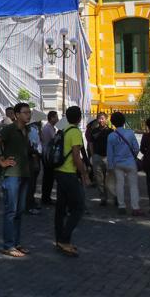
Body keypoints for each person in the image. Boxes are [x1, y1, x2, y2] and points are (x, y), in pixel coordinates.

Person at [0, 102, 32, 258]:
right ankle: (8, 245)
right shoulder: (8, 129)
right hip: (11, 175)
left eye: (29, 112)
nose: (28, 115)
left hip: (24, 174)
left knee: (19, 211)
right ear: (17, 114)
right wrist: (1, 162)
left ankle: (16, 243)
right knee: (11, 211)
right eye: (25, 112)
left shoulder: (27, 130)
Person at [53, 106, 88, 257]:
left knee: (61, 208)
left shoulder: (64, 130)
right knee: (78, 207)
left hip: (59, 171)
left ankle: (59, 239)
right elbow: (76, 156)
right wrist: (84, 173)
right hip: (69, 173)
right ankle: (64, 239)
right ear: (79, 118)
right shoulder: (75, 132)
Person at [107, 112, 142, 216]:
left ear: (113, 123)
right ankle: (135, 207)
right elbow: (136, 148)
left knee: (119, 184)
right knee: (133, 185)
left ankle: (121, 206)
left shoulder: (111, 136)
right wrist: (133, 156)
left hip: (117, 163)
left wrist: (110, 166)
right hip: (130, 162)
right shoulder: (130, 133)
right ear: (123, 121)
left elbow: (110, 153)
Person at [85, 113, 114, 206]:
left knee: (110, 179)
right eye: (99, 119)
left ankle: (115, 196)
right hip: (97, 156)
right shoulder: (94, 131)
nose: (101, 120)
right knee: (99, 179)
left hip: (108, 157)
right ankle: (103, 198)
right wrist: (92, 155)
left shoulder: (111, 131)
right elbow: (91, 144)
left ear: (106, 119)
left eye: (102, 118)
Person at [25, 111, 44, 215]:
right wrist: (36, 159)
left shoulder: (35, 129)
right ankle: (28, 205)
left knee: (32, 183)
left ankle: (31, 202)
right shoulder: (31, 130)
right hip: (33, 158)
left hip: (35, 157)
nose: (41, 122)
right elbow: (33, 146)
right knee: (30, 183)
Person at [40, 111, 58, 205]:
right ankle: (46, 198)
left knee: (49, 177)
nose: (57, 119)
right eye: (56, 117)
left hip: (48, 154)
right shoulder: (48, 127)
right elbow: (54, 140)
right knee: (48, 177)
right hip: (48, 155)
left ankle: (46, 197)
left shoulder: (50, 127)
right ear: (52, 118)